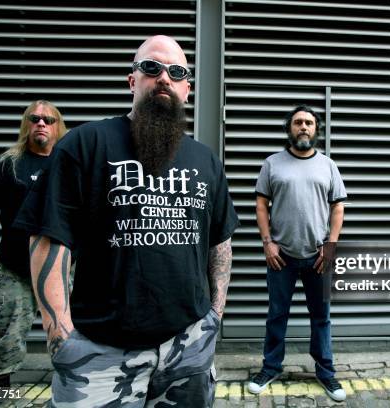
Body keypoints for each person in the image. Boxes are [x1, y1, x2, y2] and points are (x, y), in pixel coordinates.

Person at [15, 35, 238, 406]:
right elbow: (49, 237)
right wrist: (61, 337)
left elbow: (220, 241)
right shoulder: (85, 144)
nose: (164, 77)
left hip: (188, 349)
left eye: (176, 71)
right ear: (133, 80)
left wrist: (213, 317)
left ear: (187, 89)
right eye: (151, 67)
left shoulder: (206, 160)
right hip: (100, 354)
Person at [246, 105, 347, 402]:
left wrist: (331, 245)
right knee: (277, 315)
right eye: (298, 122)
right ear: (289, 128)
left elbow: (338, 206)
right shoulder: (272, 164)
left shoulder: (328, 165)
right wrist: (268, 243)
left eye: (309, 123)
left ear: (316, 129)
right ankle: (270, 367)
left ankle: (326, 372)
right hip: (282, 257)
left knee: (321, 318)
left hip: (318, 256)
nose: (303, 127)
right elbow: (261, 205)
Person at [0, 100, 66, 387]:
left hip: (59, 267)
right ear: (26, 124)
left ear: (57, 127)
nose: (41, 124)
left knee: (67, 328)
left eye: (48, 120)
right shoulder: (8, 163)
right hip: (14, 266)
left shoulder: (67, 163)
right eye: (35, 118)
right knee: (7, 329)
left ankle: (69, 380)